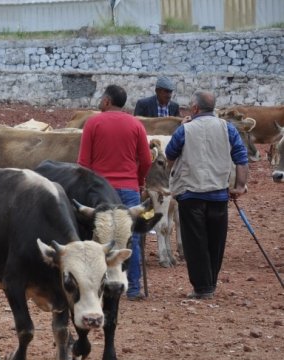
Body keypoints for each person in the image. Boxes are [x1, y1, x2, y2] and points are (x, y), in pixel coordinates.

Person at [165, 90, 248, 300]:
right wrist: (239, 186)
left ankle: (202, 288)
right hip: (219, 195)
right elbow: (241, 157)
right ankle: (210, 284)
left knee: (195, 243)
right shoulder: (227, 127)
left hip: (191, 194)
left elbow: (170, 153)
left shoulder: (186, 129)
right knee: (215, 241)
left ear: (194, 108)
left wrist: (183, 126)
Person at [78, 84, 152, 301]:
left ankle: (97, 285)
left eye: (102, 98)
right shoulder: (136, 124)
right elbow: (146, 160)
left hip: (101, 190)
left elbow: (83, 164)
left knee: (98, 239)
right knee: (132, 239)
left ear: (107, 101)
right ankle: (134, 288)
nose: (100, 102)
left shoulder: (93, 123)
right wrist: (138, 181)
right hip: (129, 189)